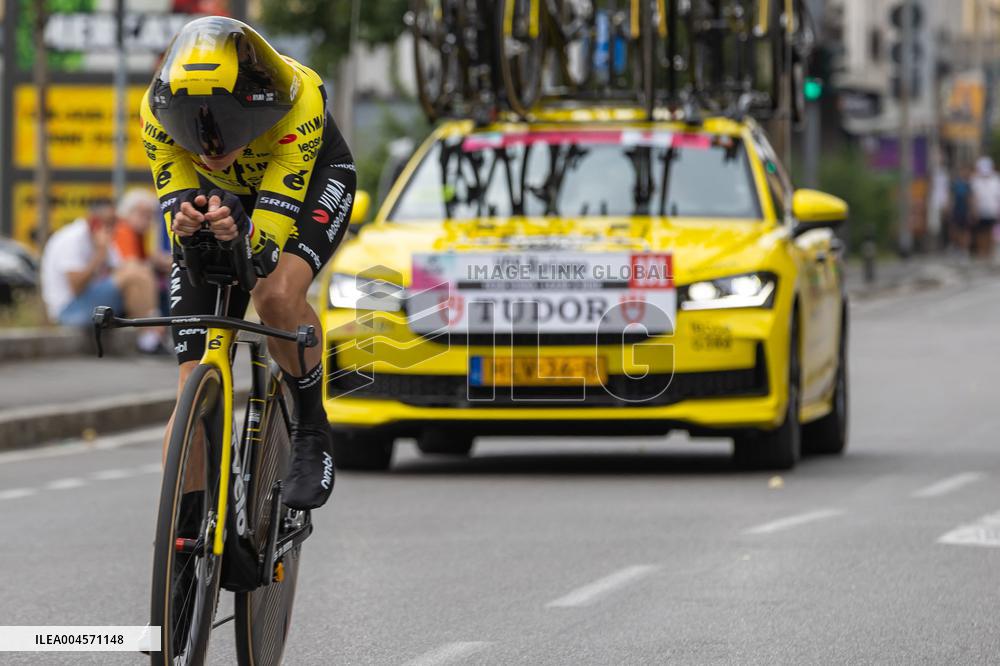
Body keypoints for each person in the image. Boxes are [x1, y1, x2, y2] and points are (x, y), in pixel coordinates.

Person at [142, 16, 356, 510]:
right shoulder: (155, 112)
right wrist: (190, 222)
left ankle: (309, 424)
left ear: (255, 107)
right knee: (190, 376)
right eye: (195, 131)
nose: (211, 147)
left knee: (274, 293)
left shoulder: (298, 101)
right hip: (222, 199)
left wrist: (248, 233)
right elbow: (178, 212)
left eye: (228, 126)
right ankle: (189, 528)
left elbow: (265, 247)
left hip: (308, 182)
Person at [40, 204, 163, 353]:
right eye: (110, 223)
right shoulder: (72, 239)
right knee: (133, 275)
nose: (114, 227)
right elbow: (76, 287)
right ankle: (149, 340)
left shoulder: (103, 238)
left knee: (140, 272)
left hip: (91, 303)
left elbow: (123, 268)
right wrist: (99, 255)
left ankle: (152, 337)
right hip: (68, 311)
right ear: (94, 222)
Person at [114, 188, 174, 315]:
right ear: (127, 212)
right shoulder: (123, 230)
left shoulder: (140, 234)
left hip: (121, 282)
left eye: (150, 215)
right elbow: (132, 264)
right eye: (143, 214)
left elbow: (147, 258)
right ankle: (151, 328)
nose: (148, 220)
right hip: (113, 284)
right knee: (145, 277)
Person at [970, 156, 1000, 260]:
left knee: (991, 232)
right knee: (981, 232)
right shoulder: (975, 180)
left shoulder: (996, 179)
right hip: (980, 210)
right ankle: (982, 253)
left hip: (993, 210)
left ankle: (989, 253)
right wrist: (974, 210)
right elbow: (974, 197)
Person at [948, 164, 972, 257]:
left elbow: (970, 198)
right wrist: (950, 207)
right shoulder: (955, 184)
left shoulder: (968, 184)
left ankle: (964, 249)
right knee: (955, 230)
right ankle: (956, 247)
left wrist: (971, 210)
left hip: (965, 210)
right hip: (956, 210)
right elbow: (952, 197)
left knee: (965, 230)